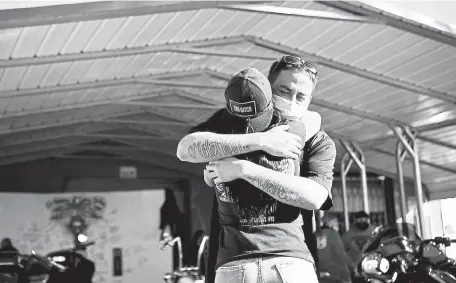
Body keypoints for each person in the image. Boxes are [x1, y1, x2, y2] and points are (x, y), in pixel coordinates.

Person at [177, 62, 336, 283]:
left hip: (286, 258)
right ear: (268, 89)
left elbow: (316, 196)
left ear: (309, 101)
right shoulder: (232, 122)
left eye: (301, 97)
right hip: (242, 262)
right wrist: (261, 140)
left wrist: (244, 169)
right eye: (284, 91)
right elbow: (186, 148)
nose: (291, 101)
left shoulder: (315, 138)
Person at [317, 213, 355, 283]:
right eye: (336, 221)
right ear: (330, 222)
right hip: (337, 272)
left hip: (320, 270)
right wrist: (353, 265)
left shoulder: (316, 234)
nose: (338, 223)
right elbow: (341, 253)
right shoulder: (333, 234)